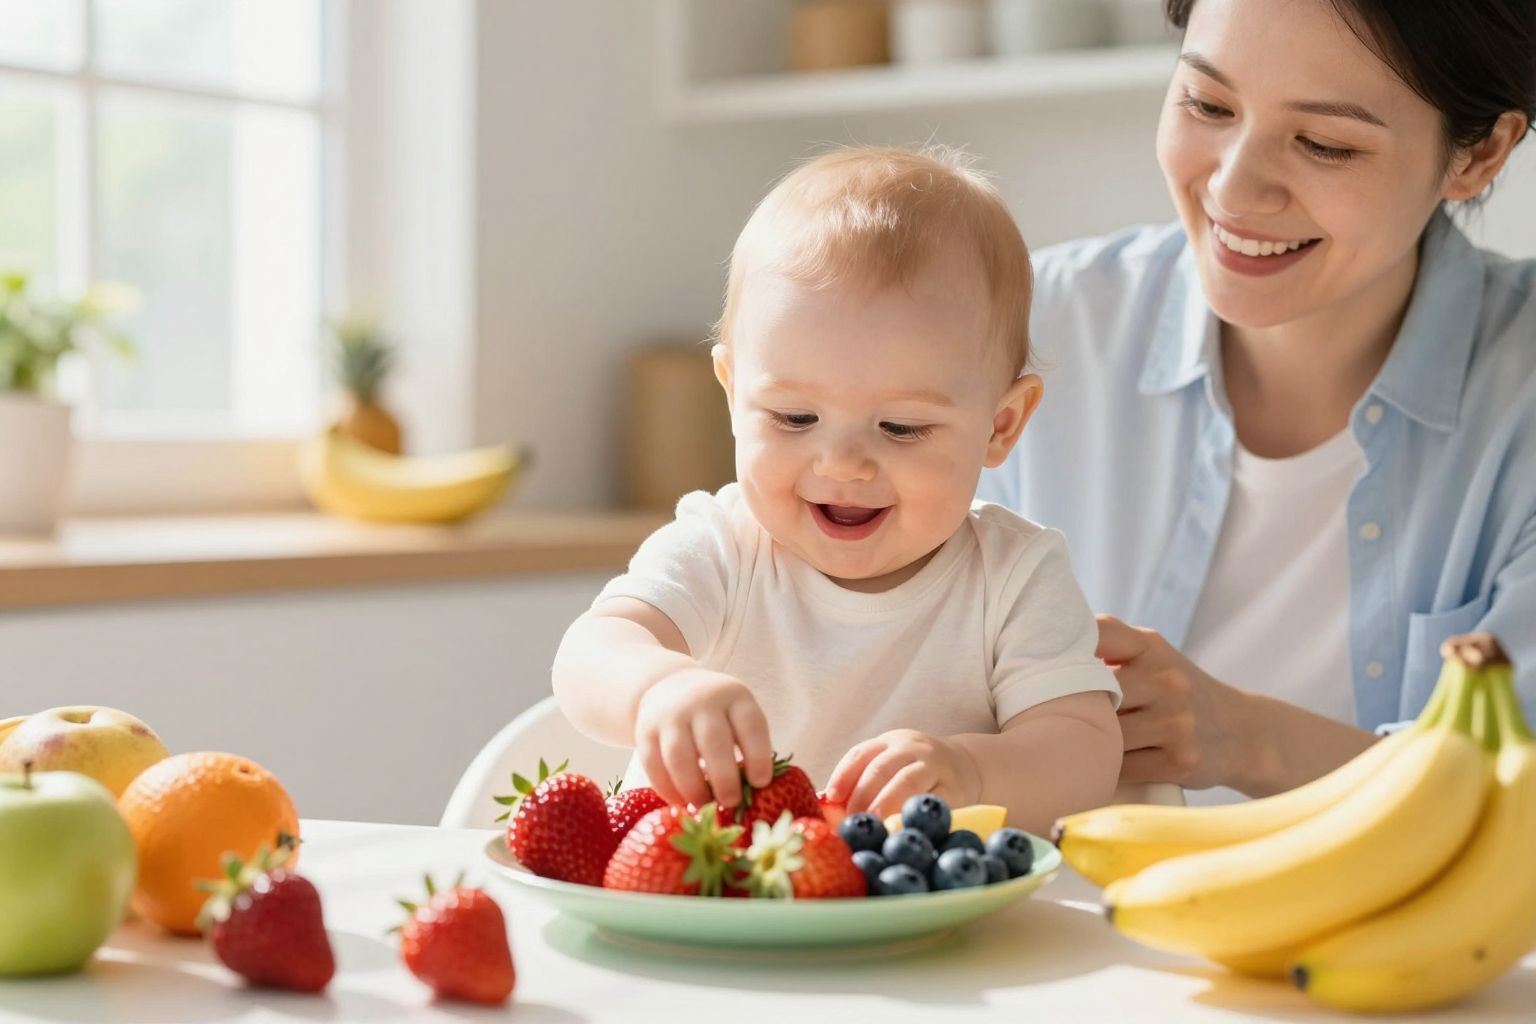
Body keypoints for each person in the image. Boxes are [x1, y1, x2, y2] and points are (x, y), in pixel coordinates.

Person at [979, 0, 1536, 803]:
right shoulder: (1032, 331)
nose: (1234, 190)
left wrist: (1243, 738)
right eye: (1207, 104)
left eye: (1325, 144)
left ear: (1479, 154)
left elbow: (1519, 811)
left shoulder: (1517, 400)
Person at [553, 147, 1121, 833]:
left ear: (1001, 425)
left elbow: (1084, 750)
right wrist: (658, 688)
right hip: (705, 901)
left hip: (914, 923)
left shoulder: (1014, 576)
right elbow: (591, 651)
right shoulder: (725, 546)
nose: (844, 463)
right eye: (795, 418)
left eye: (901, 427)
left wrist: (972, 771)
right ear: (733, 397)